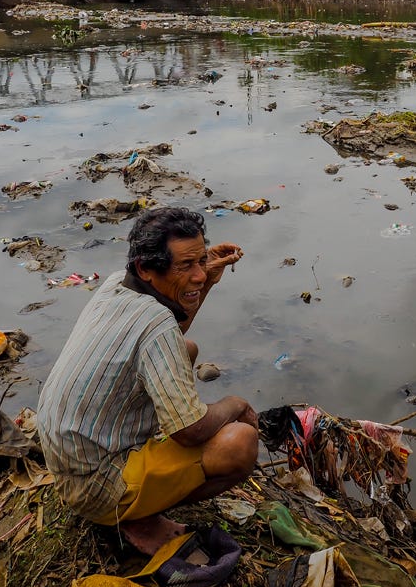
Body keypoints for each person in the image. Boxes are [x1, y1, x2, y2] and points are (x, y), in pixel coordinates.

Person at [37, 207, 258, 555]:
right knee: (239, 443)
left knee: (185, 349)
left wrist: (206, 279)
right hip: (98, 487)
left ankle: (139, 498)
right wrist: (235, 405)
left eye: (202, 261)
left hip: (71, 462)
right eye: (186, 266)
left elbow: (173, 331)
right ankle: (135, 515)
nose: (199, 275)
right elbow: (191, 431)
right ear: (145, 268)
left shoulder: (116, 285)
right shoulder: (154, 321)